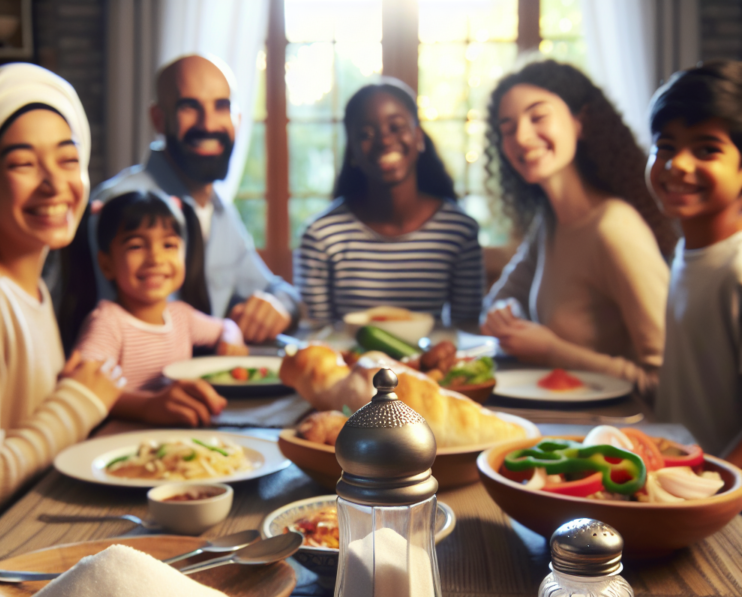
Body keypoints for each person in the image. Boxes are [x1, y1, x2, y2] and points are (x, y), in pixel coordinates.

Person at [0, 63, 122, 527]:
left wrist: (76, 391)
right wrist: (77, 402)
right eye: (22, 163)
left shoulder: (31, 284)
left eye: (67, 159)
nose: (55, 184)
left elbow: (26, 420)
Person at [481, 60, 676, 396]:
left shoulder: (614, 228)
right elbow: (500, 300)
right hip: (562, 420)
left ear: (580, 122)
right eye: (508, 128)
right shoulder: (551, 222)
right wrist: (504, 317)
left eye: (538, 117)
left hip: (615, 436)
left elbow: (665, 382)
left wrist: (552, 350)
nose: (522, 137)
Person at [89, 54, 300, 343]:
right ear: (158, 120)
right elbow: (107, 332)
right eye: (190, 107)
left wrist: (280, 307)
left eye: (221, 106)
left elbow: (276, 289)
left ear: (237, 119)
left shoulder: (220, 212)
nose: (209, 124)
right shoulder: (116, 205)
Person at [294, 78, 484, 323]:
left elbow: (465, 332)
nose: (384, 140)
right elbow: (318, 338)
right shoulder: (321, 236)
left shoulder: (459, 232)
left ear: (418, 137)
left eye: (396, 127)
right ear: (352, 151)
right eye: (366, 134)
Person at [73, 190, 248, 426]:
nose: (155, 258)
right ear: (107, 264)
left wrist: (232, 339)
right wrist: (149, 406)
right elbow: (83, 387)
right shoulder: (108, 322)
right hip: (122, 440)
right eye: (136, 246)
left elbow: (226, 326)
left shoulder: (181, 316)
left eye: (168, 245)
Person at [648, 61, 742, 456]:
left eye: (707, 149)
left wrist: (721, 491)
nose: (677, 164)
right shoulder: (686, 254)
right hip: (681, 480)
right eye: (665, 146)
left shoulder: (735, 269)